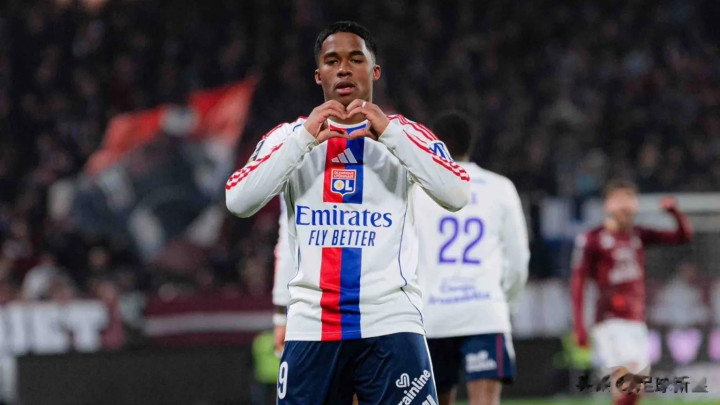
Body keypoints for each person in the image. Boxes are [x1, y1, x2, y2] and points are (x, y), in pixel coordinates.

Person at [226, 21, 470, 404]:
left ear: (374, 71)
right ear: (318, 74)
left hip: (392, 322)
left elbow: (457, 194)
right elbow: (238, 201)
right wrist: (303, 140)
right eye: (332, 61)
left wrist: (390, 135)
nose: (343, 69)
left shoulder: (405, 134)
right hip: (313, 327)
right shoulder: (289, 138)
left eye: (356, 59)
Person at [413, 111, 529, 405]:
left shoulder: (416, 190)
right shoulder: (500, 187)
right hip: (484, 312)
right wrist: (507, 302)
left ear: (433, 143)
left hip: (431, 315)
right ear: (471, 143)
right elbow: (518, 259)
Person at [571, 180, 692, 405]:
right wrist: (579, 325)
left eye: (629, 199)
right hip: (609, 320)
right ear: (607, 204)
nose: (625, 205)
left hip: (635, 320)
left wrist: (674, 212)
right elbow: (578, 283)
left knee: (633, 387)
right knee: (631, 380)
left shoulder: (638, 234)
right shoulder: (592, 239)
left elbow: (683, 236)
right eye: (619, 199)